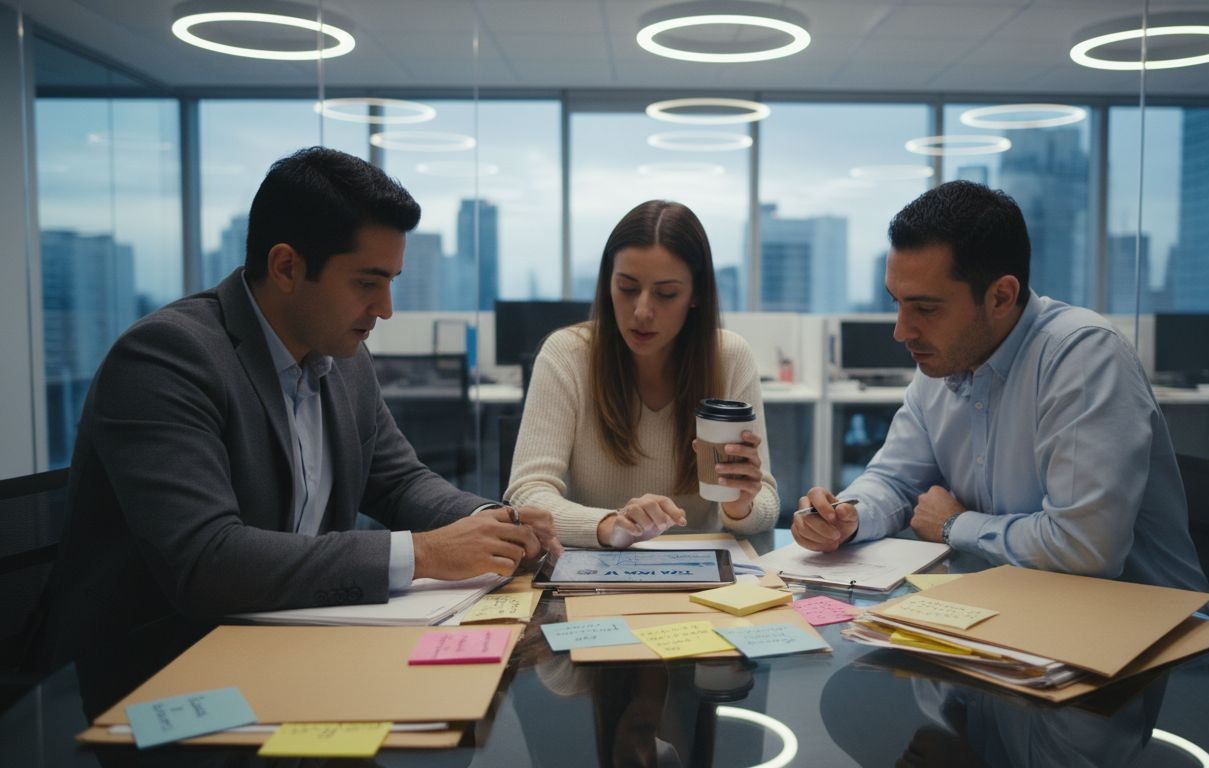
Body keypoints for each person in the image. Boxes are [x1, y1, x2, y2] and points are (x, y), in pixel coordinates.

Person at [40, 147, 560, 667]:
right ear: (286, 266)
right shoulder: (167, 358)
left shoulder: (342, 355)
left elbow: (399, 481)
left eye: (390, 283)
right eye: (366, 283)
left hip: (292, 643)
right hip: (157, 665)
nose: (385, 309)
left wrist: (491, 521)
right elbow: (206, 561)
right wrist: (425, 554)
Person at [792, 181, 1206, 592]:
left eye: (926, 308)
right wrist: (849, 515)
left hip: (1139, 626)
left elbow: (1086, 549)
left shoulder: (1082, 356)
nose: (902, 331)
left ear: (1001, 296)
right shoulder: (943, 363)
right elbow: (896, 480)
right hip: (1011, 606)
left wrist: (954, 525)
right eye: (897, 303)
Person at [505, 200, 780, 547]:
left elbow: (766, 501)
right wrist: (610, 525)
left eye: (666, 294)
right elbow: (526, 494)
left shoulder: (729, 357)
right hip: (598, 569)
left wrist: (742, 504)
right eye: (627, 288)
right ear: (608, 283)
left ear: (696, 294)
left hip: (704, 578)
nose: (642, 311)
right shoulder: (567, 355)